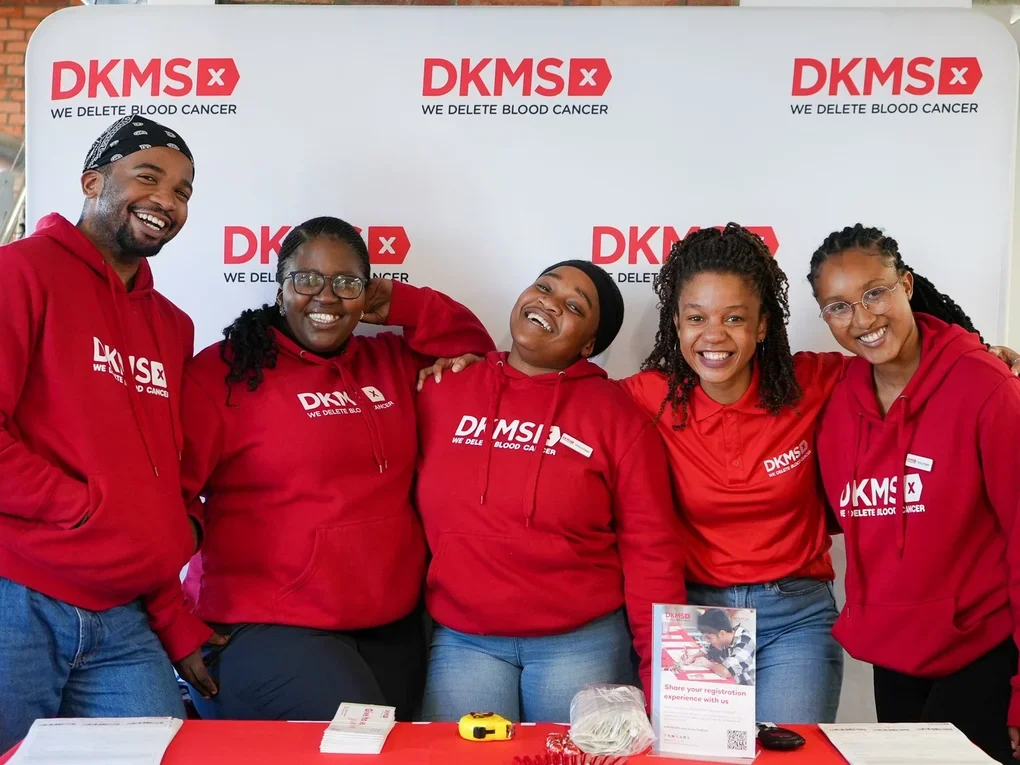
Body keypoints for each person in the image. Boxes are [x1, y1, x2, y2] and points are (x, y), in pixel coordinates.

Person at [170, 216, 495, 722]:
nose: (325, 297)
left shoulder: (390, 360)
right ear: (280, 288)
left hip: (389, 624)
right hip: (265, 624)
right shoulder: (224, 373)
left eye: (346, 283)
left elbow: (473, 347)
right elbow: (168, 501)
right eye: (307, 280)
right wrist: (170, 621)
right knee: (365, 747)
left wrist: (401, 304)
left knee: (401, 747)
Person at [0, 116, 211, 752]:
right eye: (148, 177)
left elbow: (161, 487)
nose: (167, 201)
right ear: (93, 181)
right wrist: (87, 509)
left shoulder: (172, 326)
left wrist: (175, 622)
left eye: (182, 191)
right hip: (19, 598)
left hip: (122, 616)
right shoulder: (21, 273)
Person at [414, 259, 686, 723]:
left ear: (589, 344)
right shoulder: (444, 388)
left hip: (580, 645)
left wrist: (668, 677)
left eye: (574, 306)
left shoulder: (618, 418)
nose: (549, 302)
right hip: (465, 640)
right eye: (544, 286)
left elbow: (651, 553)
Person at [807, 224, 1020, 764]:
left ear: (905, 284)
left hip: (984, 653)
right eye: (838, 306)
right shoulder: (836, 408)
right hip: (895, 657)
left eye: (874, 292)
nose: (863, 319)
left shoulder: (985, 386)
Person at [696, 609, 756, 686]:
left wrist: (708, 665)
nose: (708, 641)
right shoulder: (727, 636)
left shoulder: (746, 642)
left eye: (709, 638)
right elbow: (709, 649)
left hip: (744, 689)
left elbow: (726, 672)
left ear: (722, 633)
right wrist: (694, 656)